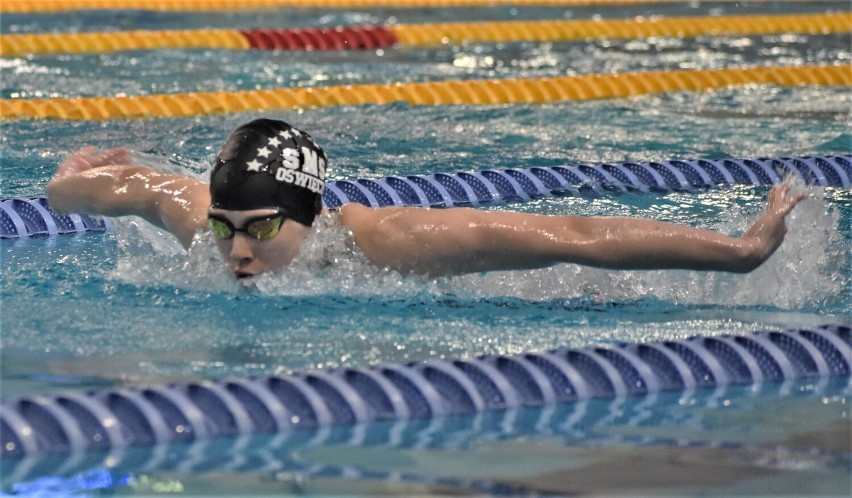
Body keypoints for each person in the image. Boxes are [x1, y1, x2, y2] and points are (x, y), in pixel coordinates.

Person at [46, 118, 805, 280]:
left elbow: (570, 233)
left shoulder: (389, 242)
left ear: (307, 215)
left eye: (262, 228)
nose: (237, 251)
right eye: (225, 227)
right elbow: (98, 188)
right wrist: (71, 173)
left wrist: (741, 252)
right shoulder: (193, 217)